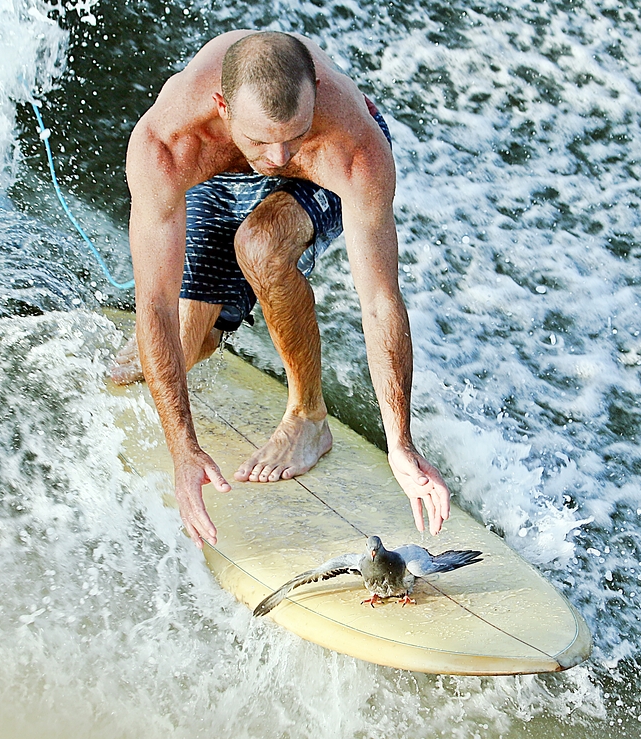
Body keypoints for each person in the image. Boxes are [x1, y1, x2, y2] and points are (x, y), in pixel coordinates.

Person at [113, 30, 450, 547]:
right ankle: (203, 330)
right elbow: (152, 302)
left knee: (262, 244)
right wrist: (184, 451)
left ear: (316, 91)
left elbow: (381, 300)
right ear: (221, 107)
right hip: (219, 169)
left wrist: (400, 443)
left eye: (293, 134)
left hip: (323, 168)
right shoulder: (168, 144)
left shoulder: (353, 145)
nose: (278, 156)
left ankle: (309, 415)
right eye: (262, 141)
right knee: (177, 346)